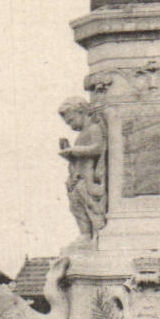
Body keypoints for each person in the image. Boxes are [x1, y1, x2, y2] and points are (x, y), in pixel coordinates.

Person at [58, 99, 107, 239]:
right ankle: (85, 234)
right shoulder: (83, 134)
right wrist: (69, 153)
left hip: (88, 177)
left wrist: (75, 150)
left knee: (91, 205)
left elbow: (98, 148)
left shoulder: (93, 129)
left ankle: (96, 233)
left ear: (82, 112)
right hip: (78, 176)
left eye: (72, 120)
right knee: (76, 206)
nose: (71, 125)